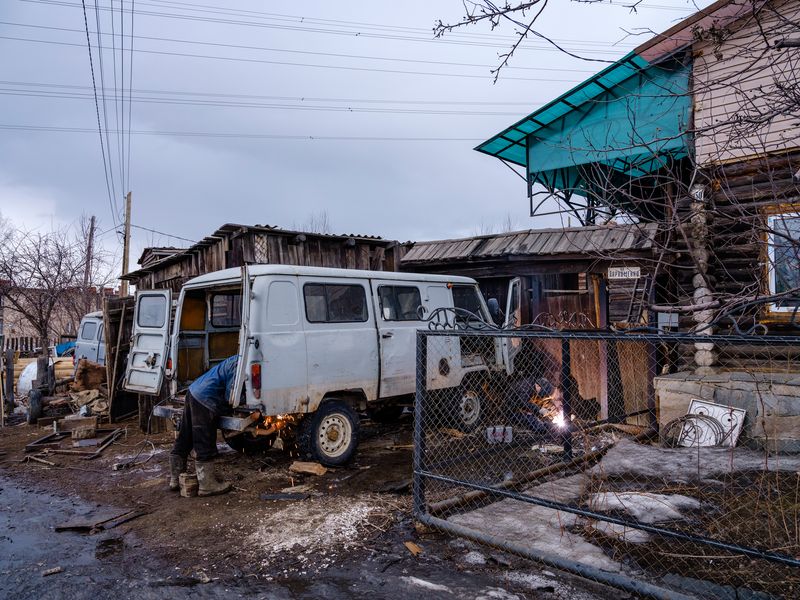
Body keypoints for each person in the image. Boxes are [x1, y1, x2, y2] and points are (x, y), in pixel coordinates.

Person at [169, 355, 239, 496]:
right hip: (205, 398)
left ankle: (176, 479)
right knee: (204, 438)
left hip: (193, 391)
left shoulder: (236, 358)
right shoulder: (241, 364)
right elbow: (230, 395)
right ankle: (207, 485)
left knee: (186, 435)